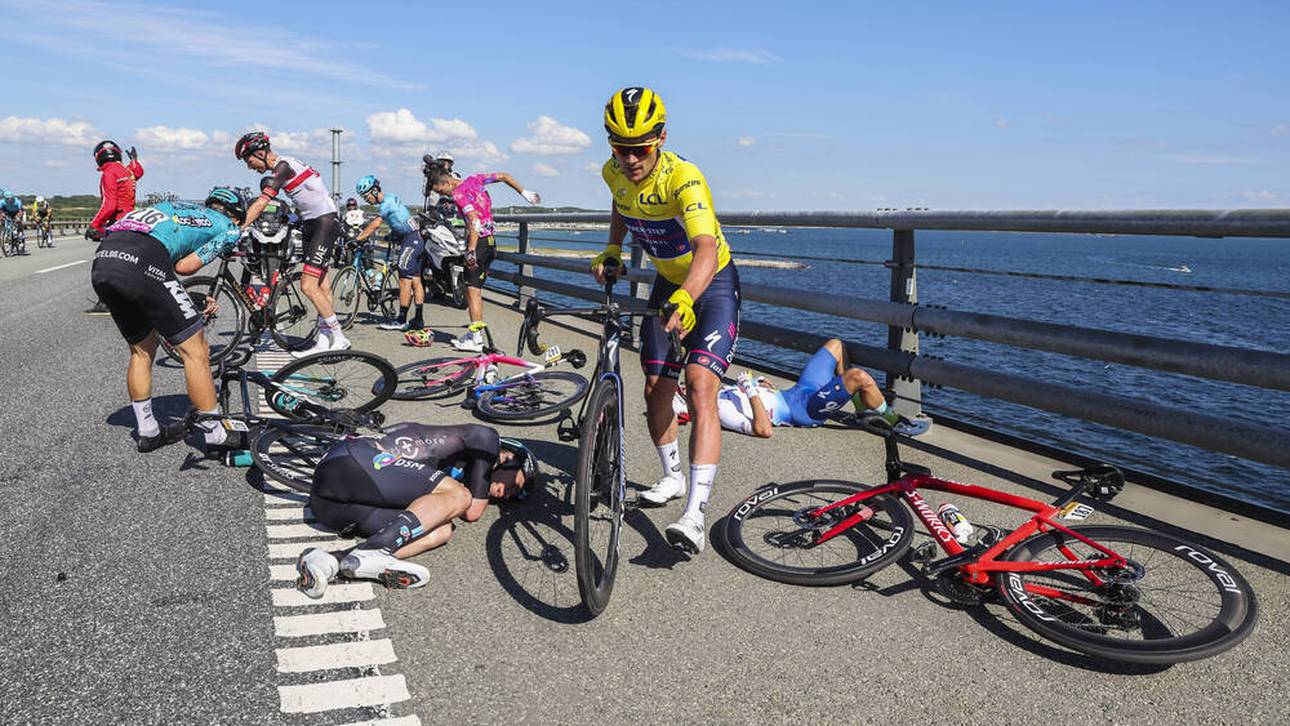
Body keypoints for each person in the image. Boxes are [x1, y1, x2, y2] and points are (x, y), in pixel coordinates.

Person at [589, 86, 740, 555]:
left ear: (661, 138)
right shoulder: (613, 171)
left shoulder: (684, 178)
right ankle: (672, 476)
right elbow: (620, 201)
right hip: (665, 281)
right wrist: (614, 247)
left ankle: (694, 513)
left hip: (710, 283)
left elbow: (707, 248)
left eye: (641, 149)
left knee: (698, 386)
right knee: (655, 387)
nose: (631, 158)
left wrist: (687, 298)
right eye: (621, 147)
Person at [89, 188, 249, 453]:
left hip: (105, 260)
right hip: (142, 259)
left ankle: (148, 432)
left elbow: (157, 282)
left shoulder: (176, 206)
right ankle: (215, 434)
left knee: (142, 350)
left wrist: (191, 298)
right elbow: (183, 268)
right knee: (196, 351)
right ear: (234, 215)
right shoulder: (228, 227)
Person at [295, 424, 538, 597]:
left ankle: (333, 561)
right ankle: (378, 549)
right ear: (510, 458)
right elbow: (472, 511)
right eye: (516, 485)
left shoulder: (457, 474)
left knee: (441, 530)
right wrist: (475, 490)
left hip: (331, 506)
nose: (508, 494)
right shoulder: (487, 440)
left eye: (513, 496)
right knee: (459, 496)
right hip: (353, 459)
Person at [234, 131, 349, 356]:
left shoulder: (283, 167)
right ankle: (324, 339)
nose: (250, 167)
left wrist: (238, 228)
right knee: (321, 285)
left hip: (324, 223)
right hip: (311, 224)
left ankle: (339, 336)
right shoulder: (284, 166)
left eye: (250, 162)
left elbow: (261, 204)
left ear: (260, 153)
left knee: (307, 285)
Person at [688, 339, 929, 438]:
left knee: (835, 345)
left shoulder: (721, 392)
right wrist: (751, 392)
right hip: (803, 411)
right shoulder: (718, 410)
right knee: (858, 377)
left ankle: (861, 412)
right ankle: (893, 421)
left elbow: (753, 395)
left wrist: (758, 386)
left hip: (796, 392)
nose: (708, 378)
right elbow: (763, 429)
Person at [425, 167, 541, 352]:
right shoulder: (475, 180)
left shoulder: (459, 194)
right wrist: (524, 192)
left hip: (478, 245)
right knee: (475, 289)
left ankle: (476, 338)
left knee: (472, 291)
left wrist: (470, 250)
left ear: (447, 182)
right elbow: (504, 175)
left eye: (440, 190)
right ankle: (474, 334)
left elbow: (474, 221)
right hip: (491, 242)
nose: (442, 194)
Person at [353, 174, 427, 333]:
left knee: (404, 280)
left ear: (374, 190)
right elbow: (399, 219)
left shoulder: (386, 203)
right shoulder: (390, 197)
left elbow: (375, 224)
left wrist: (358, 238)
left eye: (366, 196)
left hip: (410, 241)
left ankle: (401, 320)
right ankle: (418, 319)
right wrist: (394, 234)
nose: (366, 200)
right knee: (415, 280)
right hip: (415, 239)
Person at [86, 141, 144, 314]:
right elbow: (138, 172)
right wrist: (134, 160)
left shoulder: (109, 172)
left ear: (98, 157)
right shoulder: (125, 170)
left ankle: (106, 302)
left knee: (104, 263)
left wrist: (94, 225)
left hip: (118, 222)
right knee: (126, 262)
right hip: (131, 220)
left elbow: (109, 204)